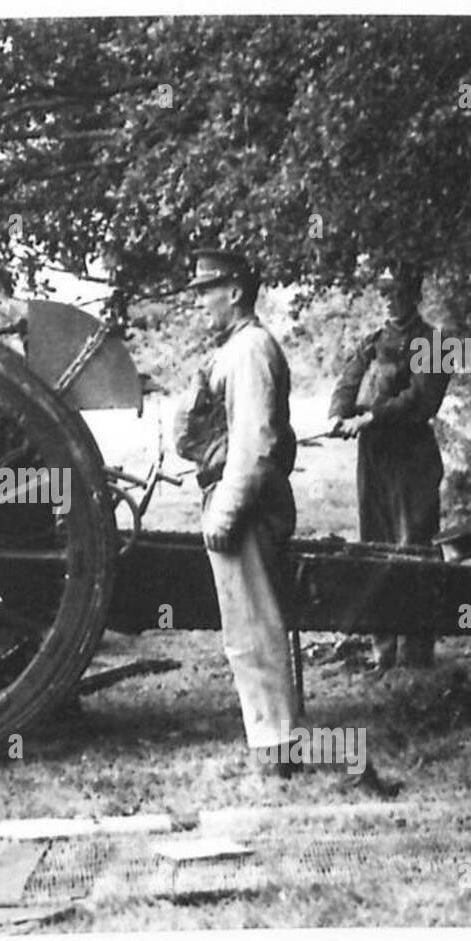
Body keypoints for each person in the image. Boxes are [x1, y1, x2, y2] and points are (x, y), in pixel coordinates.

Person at [173, 249, 299, 777]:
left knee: (256, 629)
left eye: (207, 290)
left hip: (247, 505)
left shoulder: (249, 350)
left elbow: (254, 442)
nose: (200, 301)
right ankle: (272, 743)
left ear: (236, 292)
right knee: (245, 630)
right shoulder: (233, 349)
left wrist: (224, 512)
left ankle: (277, 749)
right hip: (236, 498)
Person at [328, 261, 451, 670]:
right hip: (374, 457)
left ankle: (417, 655)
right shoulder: (373, 340)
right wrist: (338, 414)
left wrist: (372, 416)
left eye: (396, 291)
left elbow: (421, 399)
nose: (388, 299)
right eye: (383, 292)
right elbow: (349, 379)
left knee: (412, 548)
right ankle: (383, 653)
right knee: (374, 548)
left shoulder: (433, 343)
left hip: (411, 458)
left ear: (412, 294)